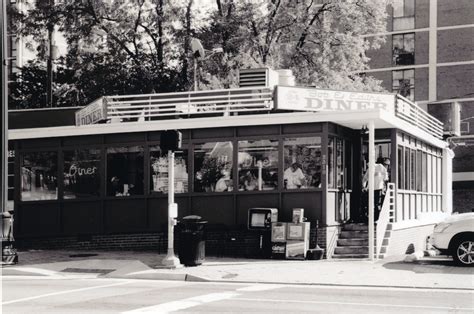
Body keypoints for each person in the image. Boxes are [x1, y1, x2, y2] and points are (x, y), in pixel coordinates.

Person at [362, 157, 389, 222]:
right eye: (387, 165)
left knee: (370, 203)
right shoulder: (383, 168)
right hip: (379, 188)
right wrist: (385, 189)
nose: (387, 166)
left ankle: (369, 218)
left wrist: (364, 187)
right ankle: (376, 218)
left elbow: (365, 179)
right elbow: (385, 179)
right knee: (377, 204)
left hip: (370, 188)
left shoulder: (370, 168)